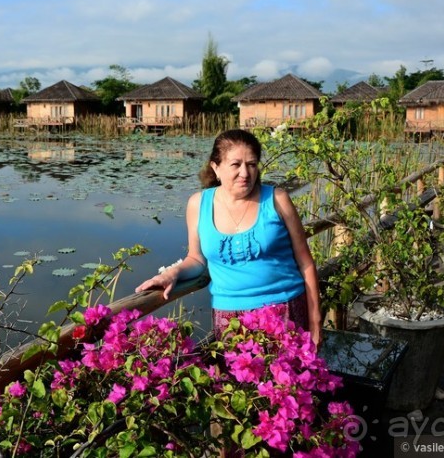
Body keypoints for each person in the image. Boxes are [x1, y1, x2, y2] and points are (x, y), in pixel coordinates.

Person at [135, 129, 322, 345]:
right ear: (216, 167)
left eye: (251, 164)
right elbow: (196, 259)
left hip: (285, 310)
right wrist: (172, 273)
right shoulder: (198, 204)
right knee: (238, 378)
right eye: (236, 164)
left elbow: (305, 262)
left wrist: (315, 321)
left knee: (290, 378)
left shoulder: (277, 200)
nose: (245, 173)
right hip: (229, 317)